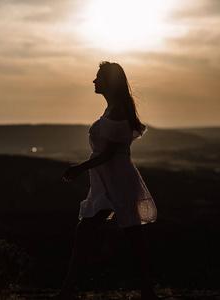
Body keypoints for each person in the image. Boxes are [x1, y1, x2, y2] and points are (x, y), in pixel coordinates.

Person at [56, 62, 158, 300]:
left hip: (117, 178)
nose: (94, 81)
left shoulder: (117, 109)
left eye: (98, 77)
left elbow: (111, 152)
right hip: (109, 178)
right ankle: (68, 291)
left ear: (108, 82)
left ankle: (67, 291)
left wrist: (80, 167)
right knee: (113, 234)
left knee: (129, 237)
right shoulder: (114, 108)